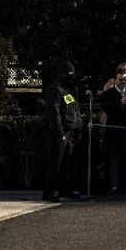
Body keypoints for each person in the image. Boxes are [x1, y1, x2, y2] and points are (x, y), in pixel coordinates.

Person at [43, 61, 83, 202]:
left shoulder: (69, 90)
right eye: (68, 74)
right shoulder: (54, 90)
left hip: (71, 133)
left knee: (69, 164)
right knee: (55, 163)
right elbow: (54, 114)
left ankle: (66, 189)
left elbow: (75, 110)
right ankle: (51, 191)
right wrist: (60, 134)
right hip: (59, 134)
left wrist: (78, 127)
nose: (70, 77)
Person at [99, 65, 126, 194]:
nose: (123, 82)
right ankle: (114, 186)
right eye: (120, 80)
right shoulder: (107, 94)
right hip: (114, 133)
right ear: (115, 80)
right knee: (114, 160)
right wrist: (120, 103)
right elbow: (107, 109)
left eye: (125, 80)